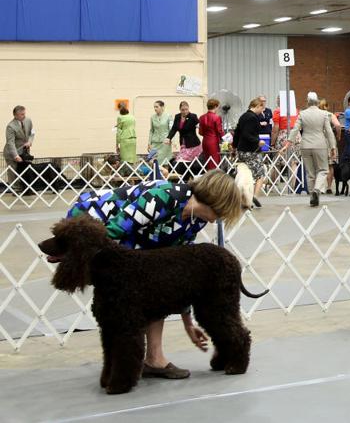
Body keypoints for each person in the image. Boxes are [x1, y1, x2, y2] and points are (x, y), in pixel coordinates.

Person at [65, 170, 245, 379]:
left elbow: (180, 274)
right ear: (216, 200)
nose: (221, 219)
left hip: (132, 242)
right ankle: (124, 366)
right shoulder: (164, 197)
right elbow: (112, 232)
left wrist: (188, 323)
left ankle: (153, 360)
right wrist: (74, 253)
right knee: (121, 305)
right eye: (224, 211)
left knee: (158, 285)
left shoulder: (196, 220)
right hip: (94, 222)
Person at [294, 92, 337, 206]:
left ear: (307, 101)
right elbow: (329, 132)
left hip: (305, 145)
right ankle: (317, 190)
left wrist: (289, 141)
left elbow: (295, 129)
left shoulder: (302, 114)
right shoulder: (323, 114)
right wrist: (333, 146)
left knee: (310, 173)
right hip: (320, 145)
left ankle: (312, 195)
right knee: (323, 170)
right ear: (317, 101)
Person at [233, 98, 267, 208]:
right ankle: (254, 196)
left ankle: (243, 199)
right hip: (251, 151)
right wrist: (258, 141)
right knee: (260, 174)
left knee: (245, 175)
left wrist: (234, 147)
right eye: (262, 108)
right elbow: (247, 134)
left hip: (241, 151)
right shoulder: (253, 118)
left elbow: (237, 133)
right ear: (257, 106)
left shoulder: (243, 116)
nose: (262, 111)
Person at [168, 101, 201, 172]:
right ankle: (184, 177)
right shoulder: (177, 116)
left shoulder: (193, 116)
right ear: (180, 109)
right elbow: (174, 129)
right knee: (182, 162)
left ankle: (187, 176)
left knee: (183, 161)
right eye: (183, 110)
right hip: (183, 143)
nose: (185, 111)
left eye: (186, 109)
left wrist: (201, 128)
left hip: (193, 144)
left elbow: (199, 125)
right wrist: (169, 138)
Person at [197, 98, 224, 171]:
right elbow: (219, 131)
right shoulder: (217, 117)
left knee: (207, 162)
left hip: (205, 141)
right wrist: (226, 139)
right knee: (214, 162)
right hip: (213, 142)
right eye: (218, 106)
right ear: (215, 106)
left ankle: (208, 178)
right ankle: (214, 180)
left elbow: (200, 132)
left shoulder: (201, 117)